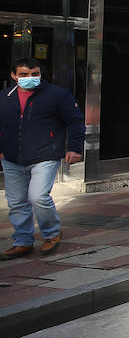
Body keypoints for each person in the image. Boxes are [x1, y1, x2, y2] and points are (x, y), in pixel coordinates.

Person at [0, 58, 85, 259]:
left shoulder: (58, 95)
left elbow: (75, 122)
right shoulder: (4, 97)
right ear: (14, 76)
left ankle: (51, 233)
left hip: (45, 155)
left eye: (34, 74)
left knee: (38, 196)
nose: (29, 78)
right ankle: (22, 241)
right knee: (17, 202)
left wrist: (74, 148)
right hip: (12, 159)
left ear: (40, 74)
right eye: (23, 75)